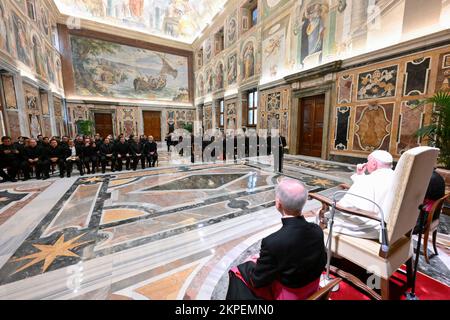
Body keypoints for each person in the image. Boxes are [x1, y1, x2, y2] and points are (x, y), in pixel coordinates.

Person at [226, 178, 327, 300]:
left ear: (278, 203)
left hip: (289, 295)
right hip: (312, 289)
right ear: (304, 201)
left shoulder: (273, 242)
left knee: (238, 271)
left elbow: (258, 280)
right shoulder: (317, 230)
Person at [331, 150, 395, 239]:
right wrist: (360, 175)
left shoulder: (368, 181)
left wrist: (331, 206)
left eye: (368, 161)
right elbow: (373, 189)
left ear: (373, 164)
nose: (366, 163)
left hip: (370, 228)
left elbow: (345, 206)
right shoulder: (396, 177)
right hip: (389, 225)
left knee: (328, 214)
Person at [414, 169, 446, 234]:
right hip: (435, 212)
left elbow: (422, 197)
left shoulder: (429, 178)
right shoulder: (436, 175)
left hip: (426, 215)